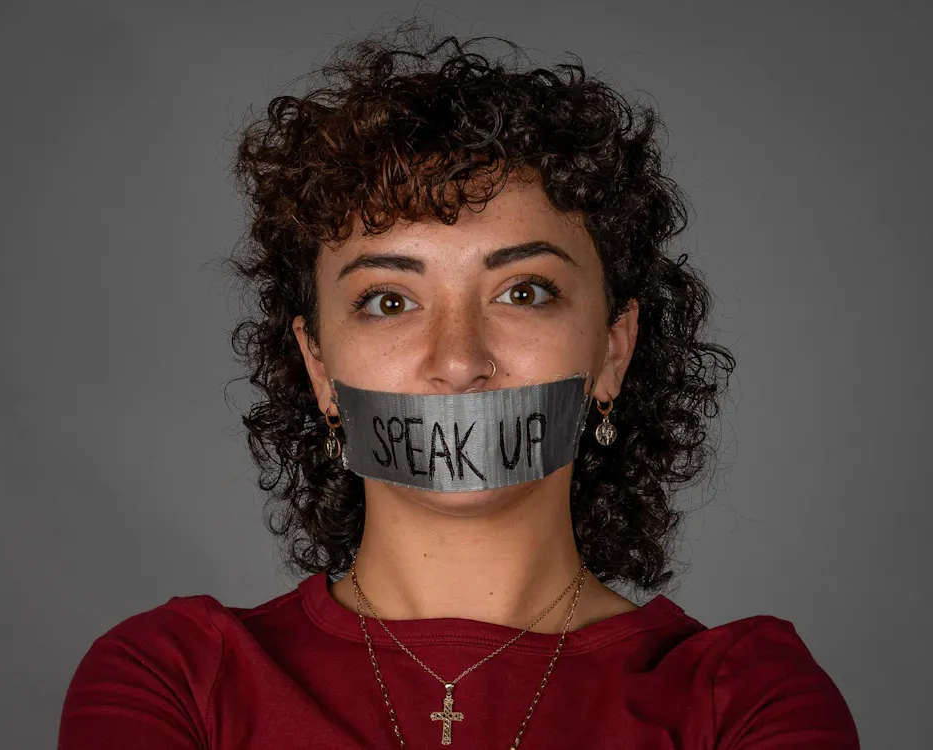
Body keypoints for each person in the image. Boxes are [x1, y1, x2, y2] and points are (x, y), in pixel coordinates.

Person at [57, 26, 860, 749]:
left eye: (524, 292)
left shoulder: (746, 700)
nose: (458, 360)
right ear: (320, 369)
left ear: (614, 349)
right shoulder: (176, 679)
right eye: (389, 301)